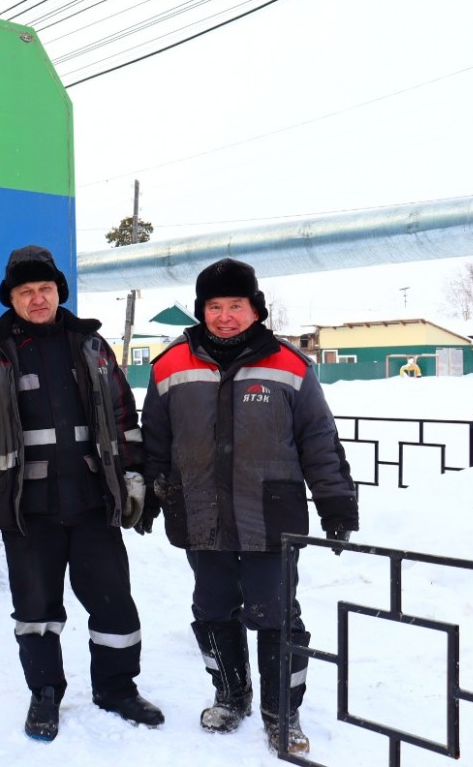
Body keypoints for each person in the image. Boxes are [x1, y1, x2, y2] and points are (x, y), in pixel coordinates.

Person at [0, 245, 163, 743]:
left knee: (113, 603)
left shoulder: (90, 346)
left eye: (45, 289)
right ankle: (44, 693)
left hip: (92, 502)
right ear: (12, 298)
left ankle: (117, 688)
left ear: (59, 292)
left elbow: (123, 416)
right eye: (27, 292)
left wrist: (133, 475)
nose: (38, 299)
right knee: (36, 610)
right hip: (29, 509)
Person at [141, 258, 359, 755]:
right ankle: (230, 695)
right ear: (201, 310)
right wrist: (150, 495)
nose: (224, 316)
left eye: (234, 305)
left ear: (255, 308)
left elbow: (318, 442)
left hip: (271, 516)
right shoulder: (170, 364)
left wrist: (337, 504)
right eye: (213, 307)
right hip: (199, 511)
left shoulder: (289, 365)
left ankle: (282, 712)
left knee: (275, 613)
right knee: (213, 608)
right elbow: (155, 440)